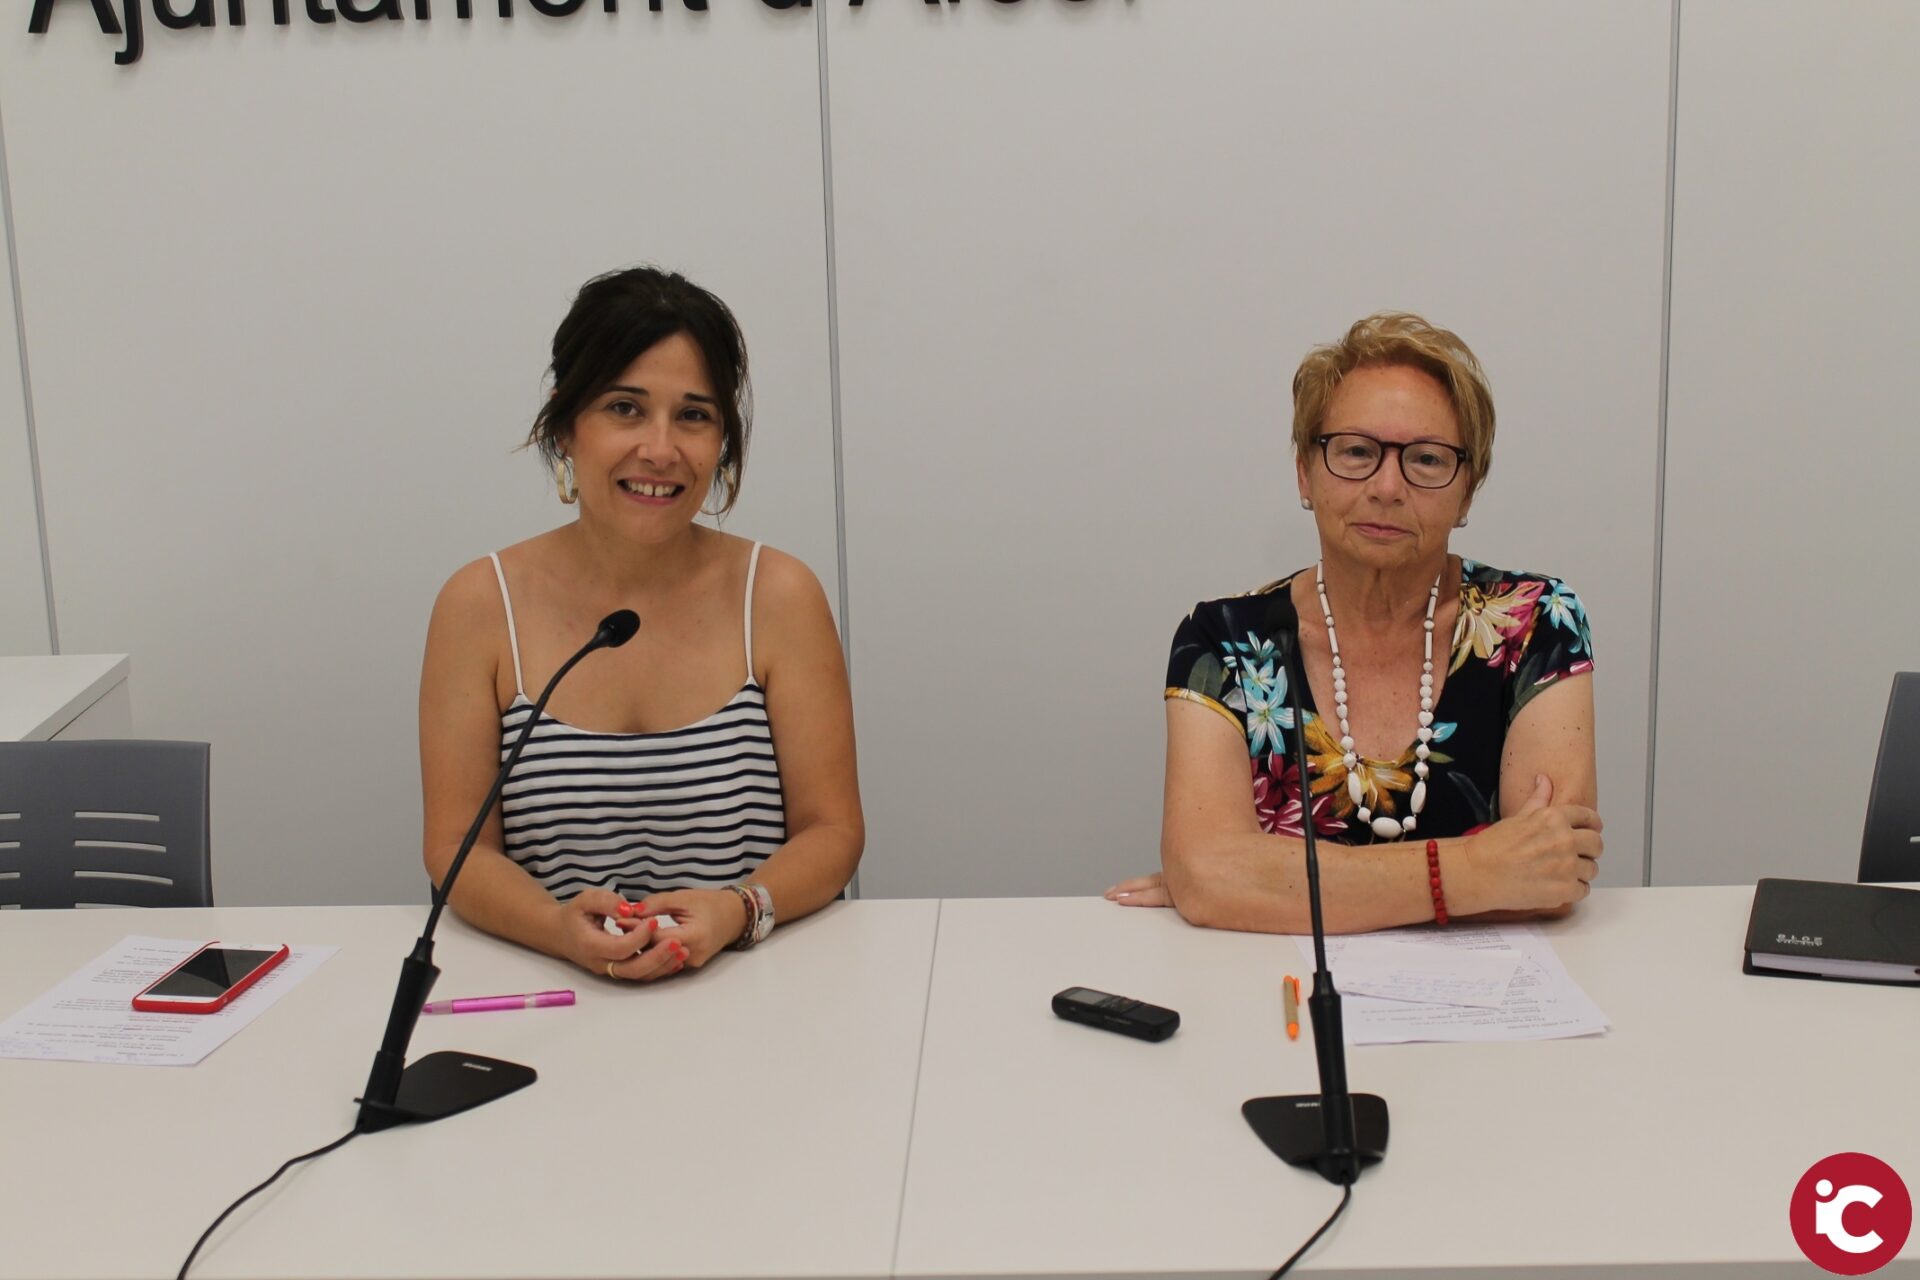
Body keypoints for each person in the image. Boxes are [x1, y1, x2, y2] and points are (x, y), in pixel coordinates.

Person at [419, 267, 863, 980]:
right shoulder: (478, 604)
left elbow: (833, 830)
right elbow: (456, 849)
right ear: (566, 424)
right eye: (625, 408)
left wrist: (738, 911)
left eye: (694, 415)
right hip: (552, 990)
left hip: (758, 990)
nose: (660, 450)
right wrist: (556, 930)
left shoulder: (779, 594)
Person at [1106, 312, 1600, 933]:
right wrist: (1478, 869)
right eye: (1357, 452)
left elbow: (1554, 873)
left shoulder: (1535, 622)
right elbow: (1209, 875)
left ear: (1468, 491)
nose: (1387, 486)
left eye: (1427, 459)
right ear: (1304, 473)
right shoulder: (1223, 642)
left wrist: (1272, 886)